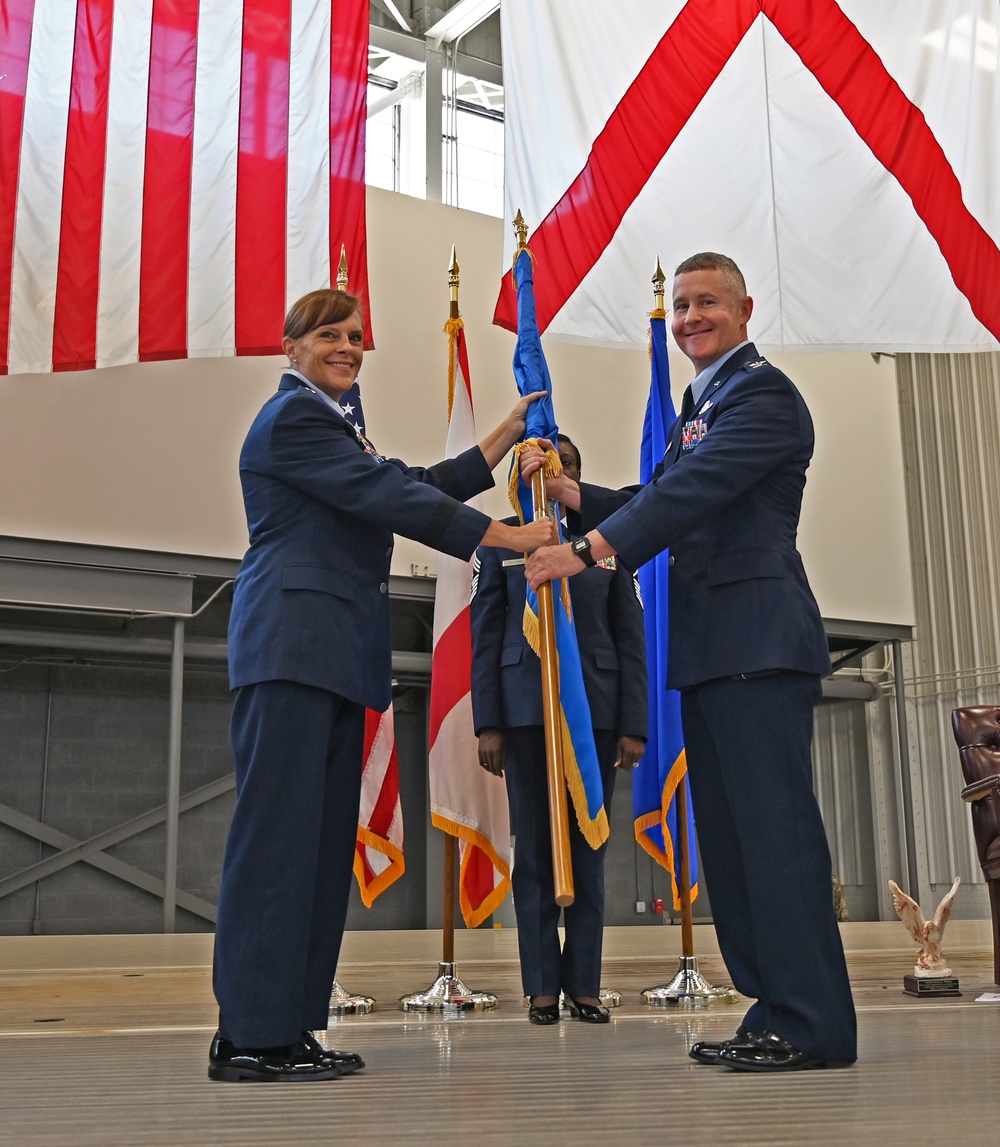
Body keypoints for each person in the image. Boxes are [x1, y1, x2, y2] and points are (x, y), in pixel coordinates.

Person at [210, 288, 555, 1083]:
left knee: (320, 853)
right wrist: (501, 534)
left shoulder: (337, 428)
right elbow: (390, 497)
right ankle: (249, 1035)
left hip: (330, 654)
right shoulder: (295, 418)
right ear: (290, 345)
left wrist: (501, 435)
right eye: (330, 334)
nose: (348, 347)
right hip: (292, 648)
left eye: (357, 336)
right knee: (277, 849)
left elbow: (414, 479)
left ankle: (289, 1026)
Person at [523, 254, 857, 1072]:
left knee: (774, 839)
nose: (689, 318)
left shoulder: (764, 395)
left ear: (745, 308)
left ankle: (814, 1020)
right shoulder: (698, 403)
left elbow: (692, 492)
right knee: (736, 846)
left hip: (758, 641)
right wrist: (575, 500)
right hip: (712, 650)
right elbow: (658, 491)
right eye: (680, 305)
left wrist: (591, 549)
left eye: (707, 302)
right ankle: (774, 1006)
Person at [470, 434, 647, 1025]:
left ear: (577, 473)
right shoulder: (500, 540)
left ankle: (586, 987)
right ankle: (542, 987)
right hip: (523, 714)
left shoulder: (608, 539)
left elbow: (630, 638)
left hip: (594, 713)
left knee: (590, 848)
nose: (553, 473)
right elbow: (486, 635)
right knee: (537, 857)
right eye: (543, 464)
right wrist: (488, 721)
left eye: (566, 465)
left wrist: (633, 725)